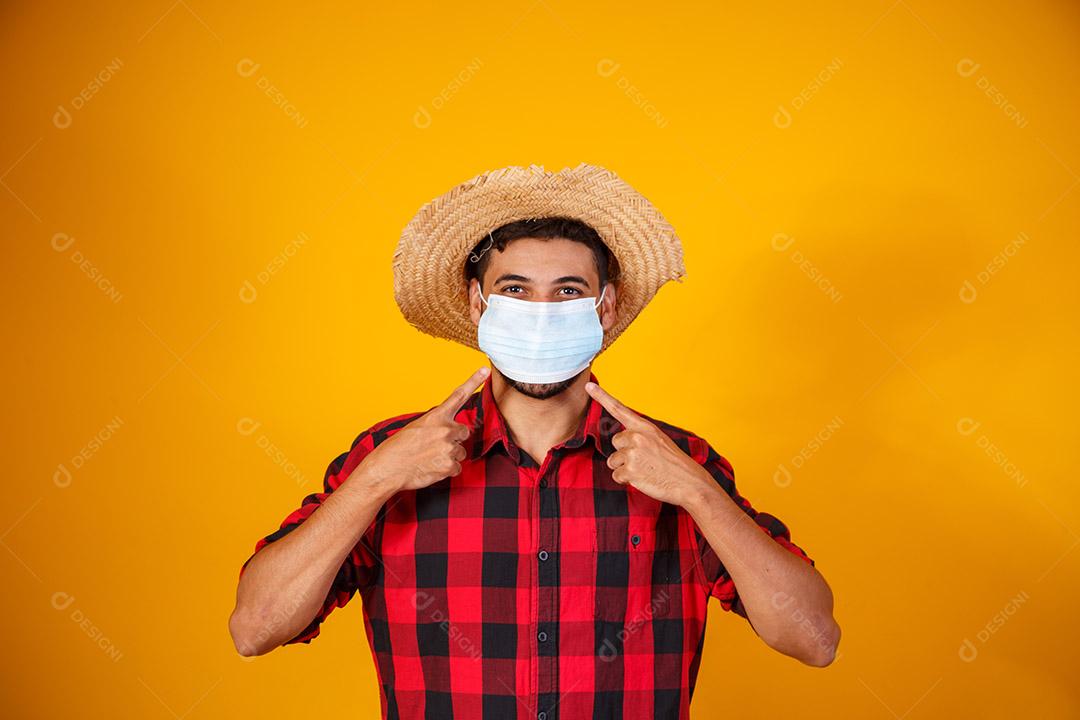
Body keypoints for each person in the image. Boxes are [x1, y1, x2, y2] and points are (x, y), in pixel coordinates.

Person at [230, 164, 840, 720]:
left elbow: (813, 637)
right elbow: (255, 627)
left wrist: (700, 496)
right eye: (515, 290)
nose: (540, 310)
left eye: (568, 291)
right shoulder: (390, 456)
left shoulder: (677, 462)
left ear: (606, 306)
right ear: (477, 303)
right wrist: (375, 481)